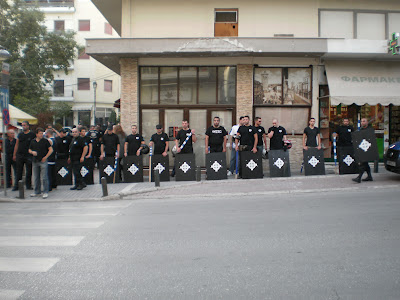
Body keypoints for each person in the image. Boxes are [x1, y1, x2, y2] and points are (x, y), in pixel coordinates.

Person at [29, 128, 53, 199]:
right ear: (36, 134)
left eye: (42, 133)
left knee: (44, 177)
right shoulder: (33, 141)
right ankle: (37, 191)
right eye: (40, 133)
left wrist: (46, 157)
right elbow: (29, 149)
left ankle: (45, 191)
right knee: (36, 177)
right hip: (35, 160)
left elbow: (51, 149)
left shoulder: (45, 141)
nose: (41, 135)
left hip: (43, 160)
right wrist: (32, 152)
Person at [12, 121, 36, 191]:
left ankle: (28, 185)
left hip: (28, 155)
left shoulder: (32, 134)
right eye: (22, 125)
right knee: (19, 171)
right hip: (20, 154)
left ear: (28, 126)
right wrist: (14, 154)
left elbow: (34, 144)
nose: (23, 127)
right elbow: (17, 144)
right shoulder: (20, 134)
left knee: (29, 171)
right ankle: (17, 186)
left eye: (25, 125)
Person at [352, 118, 373, 183]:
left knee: (362, 163)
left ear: (367, 122)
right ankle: (369, 176)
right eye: (361, 121)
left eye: (364, 121)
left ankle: (359, 178)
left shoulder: (369, 130)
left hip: (367, 148)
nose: (362, 122)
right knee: (365, 163)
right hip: (362, 148)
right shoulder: (361, 129)